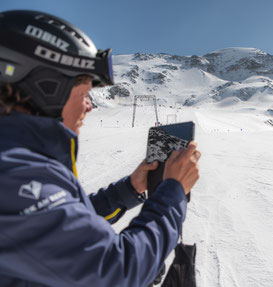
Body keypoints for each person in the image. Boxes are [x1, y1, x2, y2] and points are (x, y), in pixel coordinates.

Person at [0, 10, 201, 287]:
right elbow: (116, 270)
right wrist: (172, 192)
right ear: (45, 90)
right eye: (84, 93)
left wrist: (129, 188)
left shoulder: (15, 162)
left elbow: (62, 227)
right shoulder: (14, 173)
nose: (90, 106)